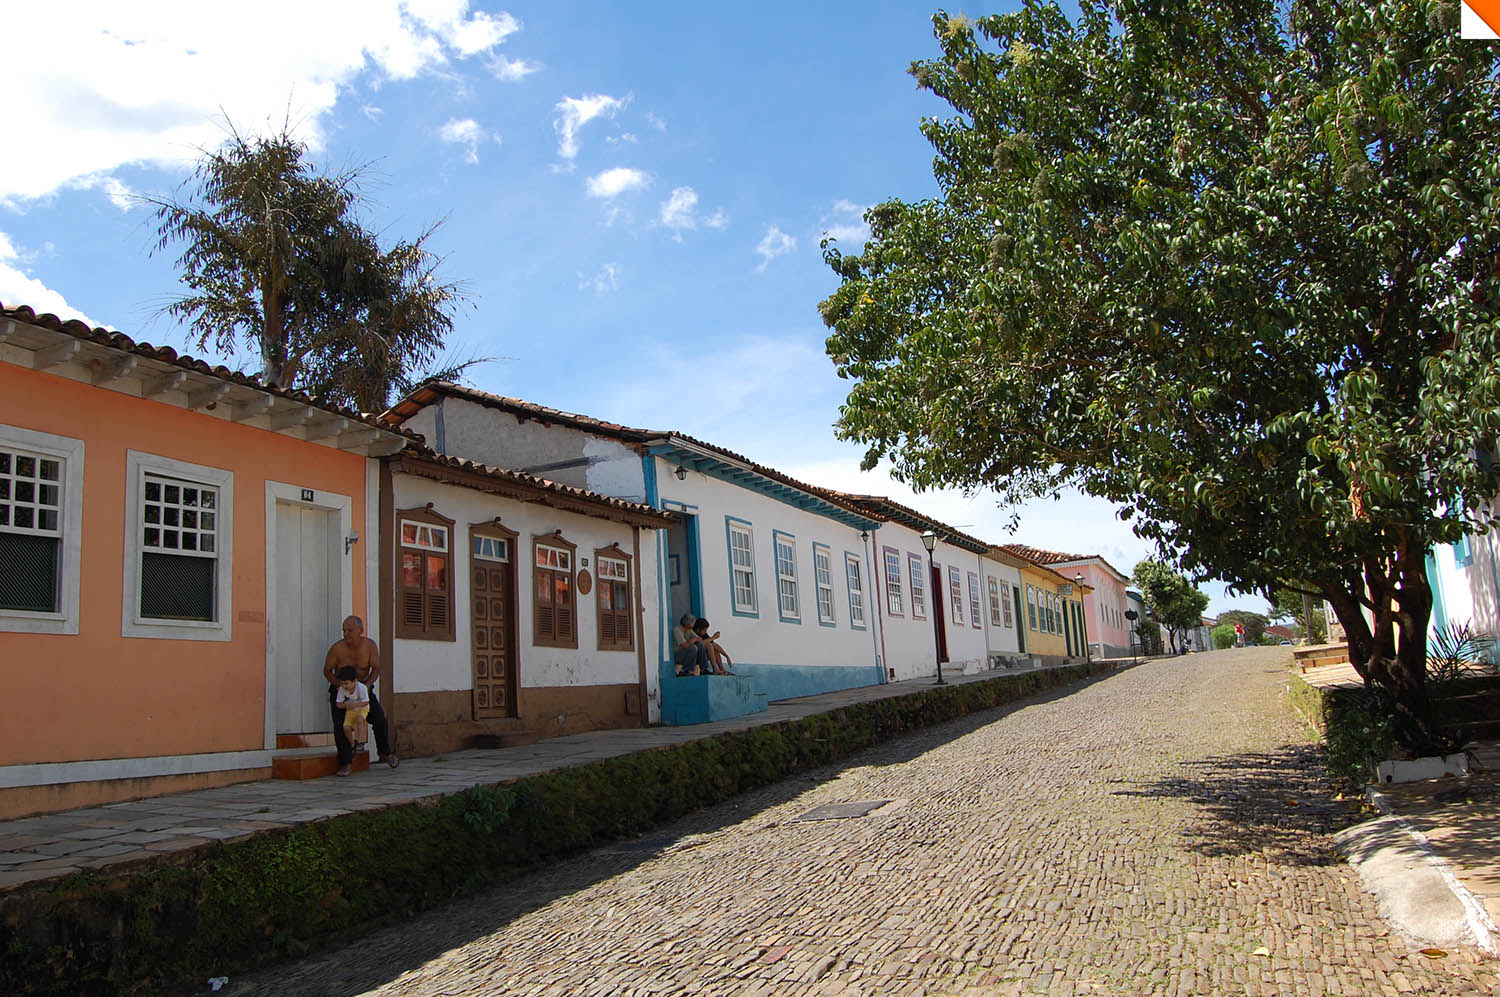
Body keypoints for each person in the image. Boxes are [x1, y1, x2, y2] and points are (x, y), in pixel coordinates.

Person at [322, 615, 399, 775]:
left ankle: (384, 752)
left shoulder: (369, 646)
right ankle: (345, 763)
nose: (346, 634)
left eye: (350, 630)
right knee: (340, 726)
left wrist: (368, 685)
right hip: (342, 691)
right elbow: (327, 670)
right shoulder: (337, 649)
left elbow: (376, 668)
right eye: (344, 630)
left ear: (360, 630)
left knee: (379, 719)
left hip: (363, 688)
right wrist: (339, 685)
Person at [334, 666, 370, 749]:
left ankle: (360, 741)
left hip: (362, 708)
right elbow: (338, 703)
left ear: (355, 681)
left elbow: (366, 701)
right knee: (346, 728)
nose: (344, 686)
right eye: (342, 683)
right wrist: (346, 705)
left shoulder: (362, 688)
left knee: (359, 719)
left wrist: (356, 705)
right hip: (350, 709)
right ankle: (352, 743)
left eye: (346, 683)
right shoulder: (342, 689)